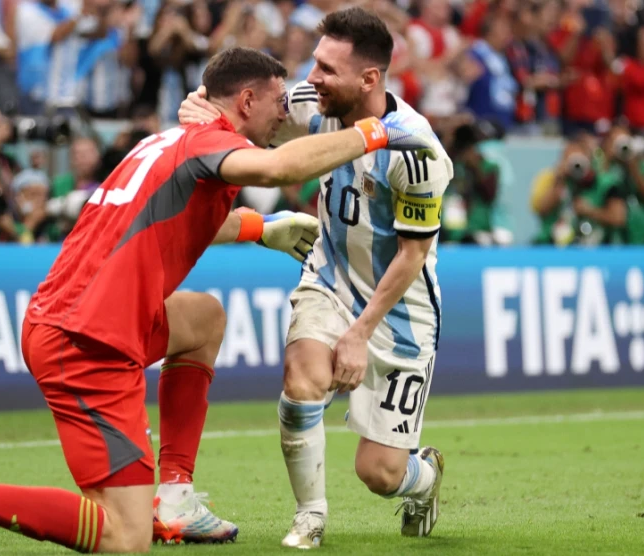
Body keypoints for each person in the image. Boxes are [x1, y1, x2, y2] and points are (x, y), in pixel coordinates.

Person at [0, 46, 436, 555]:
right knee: (122, 537)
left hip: (83, 316)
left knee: (204, 318)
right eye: (276, 104)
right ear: (245, 100)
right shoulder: (216, 144)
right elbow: (279, 166)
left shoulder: (169, 140)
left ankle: (177, 496)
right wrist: (380, 132)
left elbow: (178, 220)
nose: (284, 114)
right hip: (87, 341)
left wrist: (264, 228)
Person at [179, 7, 453, 547]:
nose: (311, 78)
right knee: (301, 378)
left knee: (380, 475)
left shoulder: (417, 150)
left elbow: (412, 256)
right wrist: (200, 106)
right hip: (327, 279)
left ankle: (425, 477)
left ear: (369, 79)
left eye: (326, 68)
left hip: (399, 312)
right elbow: (244, 106)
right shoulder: (313, 104)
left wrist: (359, 334)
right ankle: (311, 515)